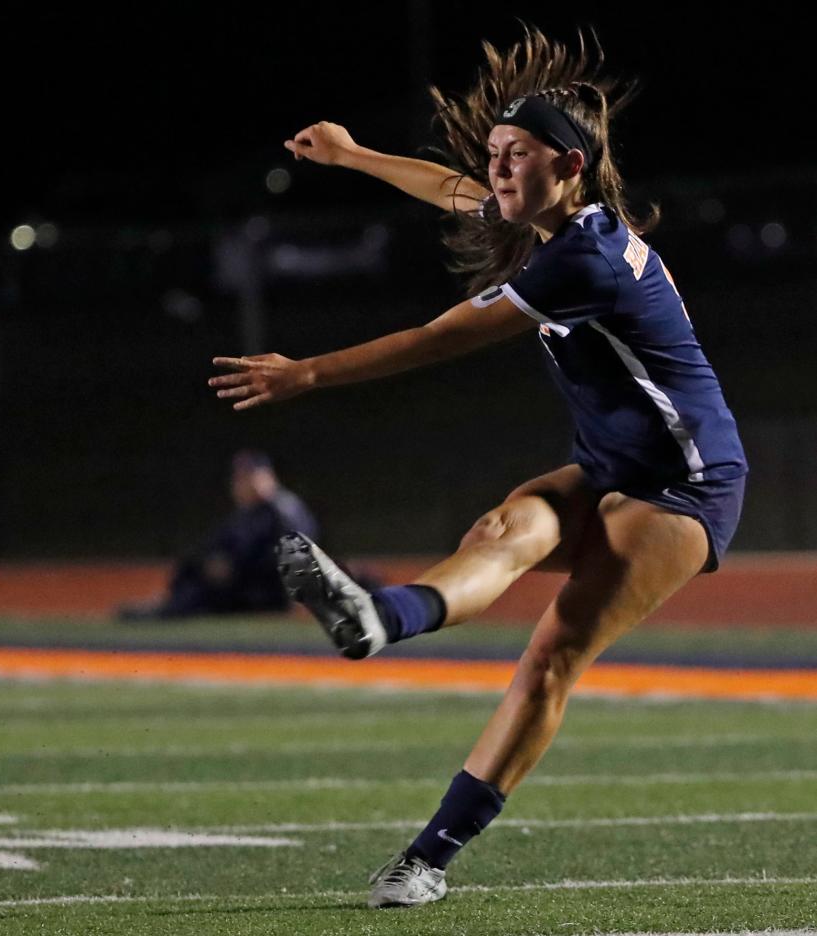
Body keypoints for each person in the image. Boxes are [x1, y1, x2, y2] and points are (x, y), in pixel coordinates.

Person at [209, 27, 746, 909]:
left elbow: (438, 340)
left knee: (549, 658)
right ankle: (377, 618)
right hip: (606, 465)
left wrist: (306, 372)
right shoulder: (561, 224)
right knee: (501, 529)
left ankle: (427, 859)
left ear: (566, 165)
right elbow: (451, 190)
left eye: (515, 156)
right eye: (494, 154)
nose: (495, 172)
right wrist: (351, 155)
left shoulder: (586, 260)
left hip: (686, 485)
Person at [119, 450, 320, 619]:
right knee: (194, 570)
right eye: (240, 478)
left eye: (250, 476)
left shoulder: (282, 510)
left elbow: (292, 557)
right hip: (247, 584)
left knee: (199, 593)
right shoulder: (249, 514)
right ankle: (166, 605)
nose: (243, 484)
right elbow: (217, 547)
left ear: (267, 476)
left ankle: (164, 610)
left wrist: (235, 568)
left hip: (265, 591)